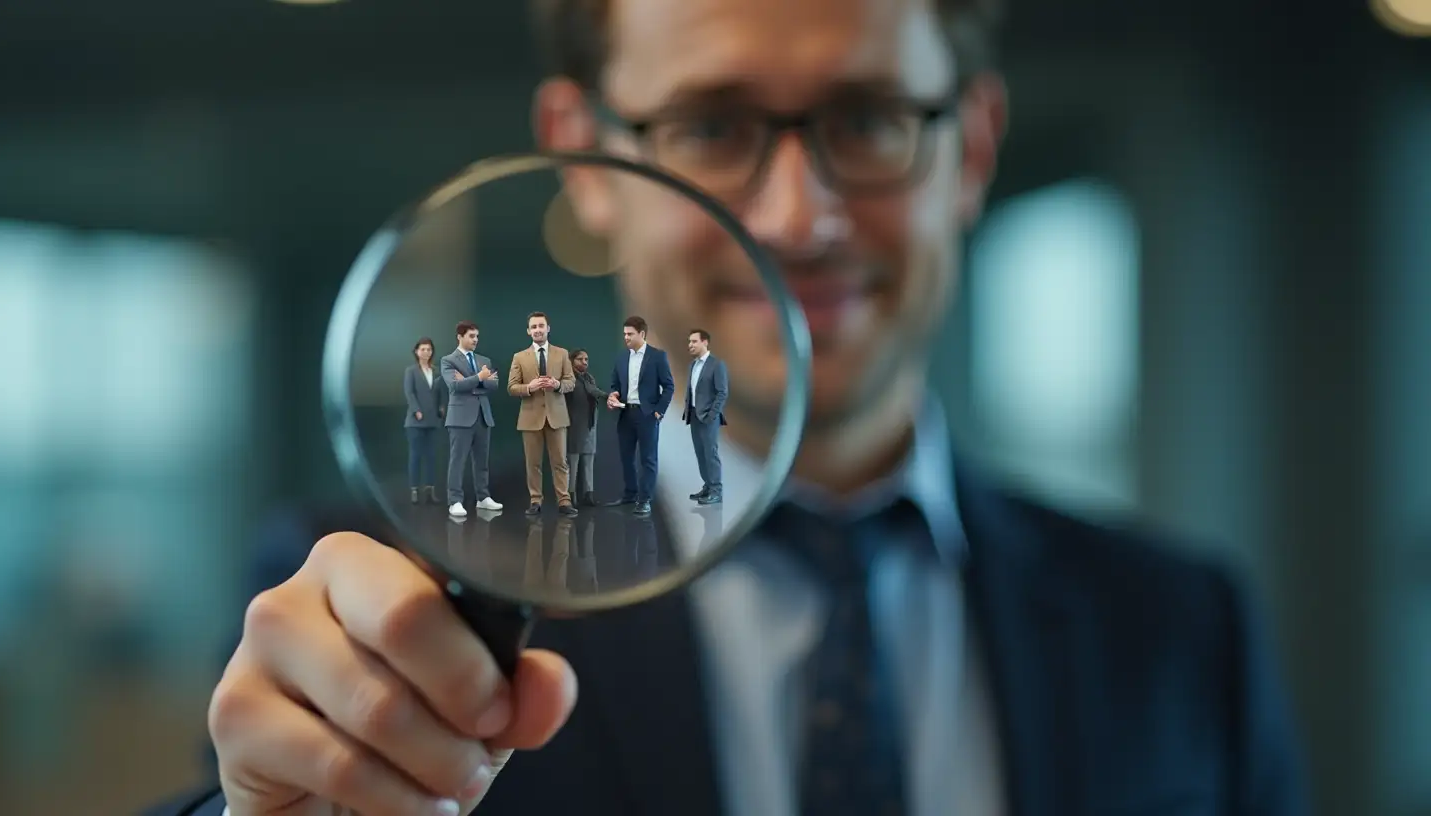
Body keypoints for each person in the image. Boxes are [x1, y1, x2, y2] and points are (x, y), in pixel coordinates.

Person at [160, 0, 1308, 814]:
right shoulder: (396, 606)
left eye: (867, 121)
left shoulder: (1181, 632)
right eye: (712, 128)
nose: (799, 218)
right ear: (583, 159)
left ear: (971, 152)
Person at [508, 311, 578, 518]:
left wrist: (557, 385)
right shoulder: (519, 357)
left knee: (560, 462)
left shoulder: (562, 354)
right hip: (530, 418)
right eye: (534, 327)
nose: (538, 330)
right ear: (529, 332)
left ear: (548, 328)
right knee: (533, 463)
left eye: (541, 326)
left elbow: (570, 382)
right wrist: (529, 387)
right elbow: (511, 387)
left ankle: (564, 501)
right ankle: (535, 500)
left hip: (557, 416)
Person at [604, 316, 675, 516]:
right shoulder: (621, 358)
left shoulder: (657, 357)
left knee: (648, 459)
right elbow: (615, 385)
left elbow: (669, 387)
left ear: (642, 334)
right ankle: (629, 495)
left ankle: (645, 500)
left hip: (647, 415)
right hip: (625, 414)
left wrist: (659, 411)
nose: (626, 337)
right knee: (626, 457)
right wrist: (613, 396)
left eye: (630, 334)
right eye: (625, 334)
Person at [440, 321, 504, 518]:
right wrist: (480, 377)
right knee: (458, 461)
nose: (475, 340)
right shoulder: (448, 360)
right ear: (460, 337)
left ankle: (483, 497)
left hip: (483, 416)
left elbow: (494, 385)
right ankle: (455, 501)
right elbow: (455, 386)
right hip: (460, 418)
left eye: (477, 336)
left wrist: (472, 381)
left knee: (481, 461)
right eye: (471, 336)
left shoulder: (484, 359)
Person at [682, 329, 728, 505]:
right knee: (700, 453)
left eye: (694, 341)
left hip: (708, 417)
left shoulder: (716, 365)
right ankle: (707, 486)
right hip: (694, 415)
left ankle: (716, 490)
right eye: (689, 342)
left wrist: (712, 415)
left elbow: (722, 392)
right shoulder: (692, 366)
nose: (690, 345)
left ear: (705, 342)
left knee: (710, 453)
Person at [402, 337, 447, 505]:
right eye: (423, 349)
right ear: (416, 351)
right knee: (415, 455)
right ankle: (414, 490)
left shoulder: (435, 371)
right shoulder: (411, 371)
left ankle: (430, 490)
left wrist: (442, 407)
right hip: (415, 421)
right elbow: (409, 393)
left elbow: (440, 393)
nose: (426, 352)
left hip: (433, 420)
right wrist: (416, 410)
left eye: (429, 349)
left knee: (431, 456)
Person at [564, 348, 607, 507]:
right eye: (580, 359)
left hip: (590, 425)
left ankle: (588, 494)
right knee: (572, 462)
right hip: (574, 425)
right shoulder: (568, 379)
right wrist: (606, 396)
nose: (584, 362)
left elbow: (593, 391)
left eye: (586, 359)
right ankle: (570, 495)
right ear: (572, 361)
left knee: (589, 461)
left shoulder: (589, 378)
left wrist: (607, 397)